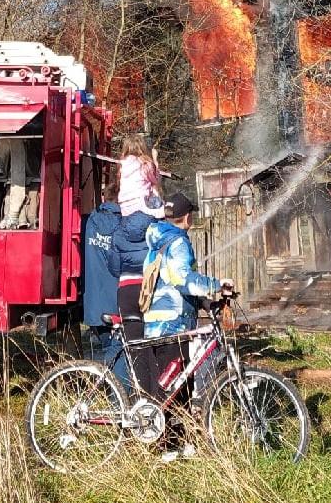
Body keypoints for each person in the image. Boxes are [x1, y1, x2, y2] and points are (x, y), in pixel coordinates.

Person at [142, 191, 232, 461]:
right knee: (175, 387)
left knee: (174, 384)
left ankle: (174, 443)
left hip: (158, 322)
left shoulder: (159, 237)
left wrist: (205, 304)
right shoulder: (179, 241)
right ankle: (168, 447)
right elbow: (183, 279)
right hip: (172, 324)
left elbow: (171, 279)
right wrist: (217, 285)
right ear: (188, 216)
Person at [108, 192, 166, 396]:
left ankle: (141, 402)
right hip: (149, 290)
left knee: (136, 351)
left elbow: (114, 267)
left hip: (125, 291)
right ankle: (156, 401)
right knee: (155, 347)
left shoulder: (118, 230)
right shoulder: (156, 228)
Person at [82, 180, 124, 383]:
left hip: (93, 303)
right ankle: (117, 397)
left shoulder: (90, 222)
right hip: (117, 303)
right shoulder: (124, 227)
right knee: (118, 354)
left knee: (108, 348)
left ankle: (111, 391)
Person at [117, 135, 162, 217]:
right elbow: (155, 180)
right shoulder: (144, 163)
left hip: (124, 205)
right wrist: (155, 160)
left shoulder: (122, 164)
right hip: (141, 203)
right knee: (165, 211)